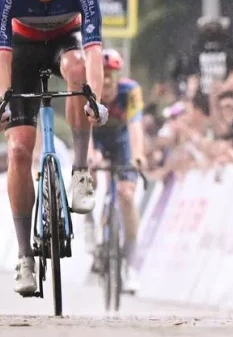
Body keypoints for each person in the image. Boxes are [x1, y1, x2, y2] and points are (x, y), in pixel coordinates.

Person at [0, 0, 109, 295]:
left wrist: (95, 100)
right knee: (20, 150)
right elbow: (2, 57)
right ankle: (25, 256)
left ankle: (81, 172)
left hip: (64, 46)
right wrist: (1, 104)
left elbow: (93, 53)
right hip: (22, 53)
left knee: (76, 71)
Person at [85, 48, 144, 293]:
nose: (107, 79)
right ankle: (89, 228)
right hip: (95, 138)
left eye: (112, 74)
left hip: (121, 141)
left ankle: (130, 265)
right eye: (103, 73)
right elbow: (84, 131)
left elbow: (135, 126)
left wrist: (139, 156)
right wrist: (89, 156)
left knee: (127, 196)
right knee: (88, 179)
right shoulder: (88, 92)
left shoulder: (130, 91)